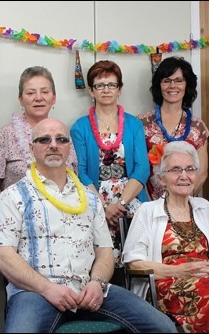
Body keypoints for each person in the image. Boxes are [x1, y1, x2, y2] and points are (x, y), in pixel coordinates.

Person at [0, 117, 177, 333]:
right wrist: (47, 288)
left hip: (89, 289)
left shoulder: (89, 197)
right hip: (36, 293)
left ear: (69, 148)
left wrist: (97, 283)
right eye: (44, 140)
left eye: (61, 139)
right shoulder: (12, 196)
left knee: (163, 327)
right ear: (32, 148)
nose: (53, 145)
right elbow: (2, 256)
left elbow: (105, 251)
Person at [123, 141, 209, 333]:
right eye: (175, 170)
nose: (184, 176)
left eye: (190, 169)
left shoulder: (204, 207)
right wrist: (181, 271)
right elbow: (134, 263)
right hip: (167, 286)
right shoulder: (147, 211)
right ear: (162, 178)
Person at [70, 60, 149, 272]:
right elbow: (81, 172)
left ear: (120, 89)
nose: (106, 90)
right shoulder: (80, 127)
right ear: (91, 91)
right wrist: (104, 208)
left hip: (131, 201)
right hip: (95, 204)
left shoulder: (134, 124)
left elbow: (142, 168)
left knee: (137, 263)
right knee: (99, 266)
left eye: (111, 85)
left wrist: (120, 204)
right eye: (100, 85)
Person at [0, 66, 77, 205]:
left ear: (54, 98)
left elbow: (73, 177)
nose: (38, 98)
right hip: (18, 216)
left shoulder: (63, 136)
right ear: (21, 99)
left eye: (45, 92)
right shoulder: (4, 135)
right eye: (30, 93)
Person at [137, 56, 209, 200]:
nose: (172, 86)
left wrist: (180, 201)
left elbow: (202, 172)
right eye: (166, 81)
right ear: (159, 85)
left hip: (185, 202)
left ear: (187, 85)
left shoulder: (198, 127)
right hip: (148, 204)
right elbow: (137, 169)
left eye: (178, 81)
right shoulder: (141, 123)